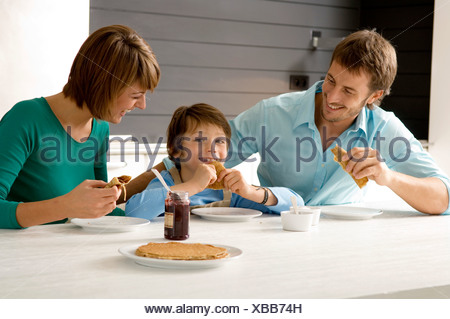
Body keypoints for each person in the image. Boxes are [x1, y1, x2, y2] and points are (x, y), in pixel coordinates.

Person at [224, 29, 449, 215]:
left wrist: (388, 177)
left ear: (374, 96)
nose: (331, 97)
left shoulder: (383, 127)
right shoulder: (270, 114)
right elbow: (199, 161)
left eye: (348, 91)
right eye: (330, 80)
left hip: (342, 242)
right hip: (272, 230)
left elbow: (444, 198)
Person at [0, 25, 161, 229]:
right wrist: (65, 206)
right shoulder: (26, 118)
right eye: (136, 96)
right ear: (106, 86)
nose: (142, 105)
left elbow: (100, 212)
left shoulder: (100, 128)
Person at [125, 103, 303, 220]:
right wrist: (193, 186)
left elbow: (296, 203)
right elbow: (134, 211)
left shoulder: (229, 191)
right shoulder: (166, 182)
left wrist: (250, 192)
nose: (212, 149)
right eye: (200, 140)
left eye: (219, 141)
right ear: (175, 149)